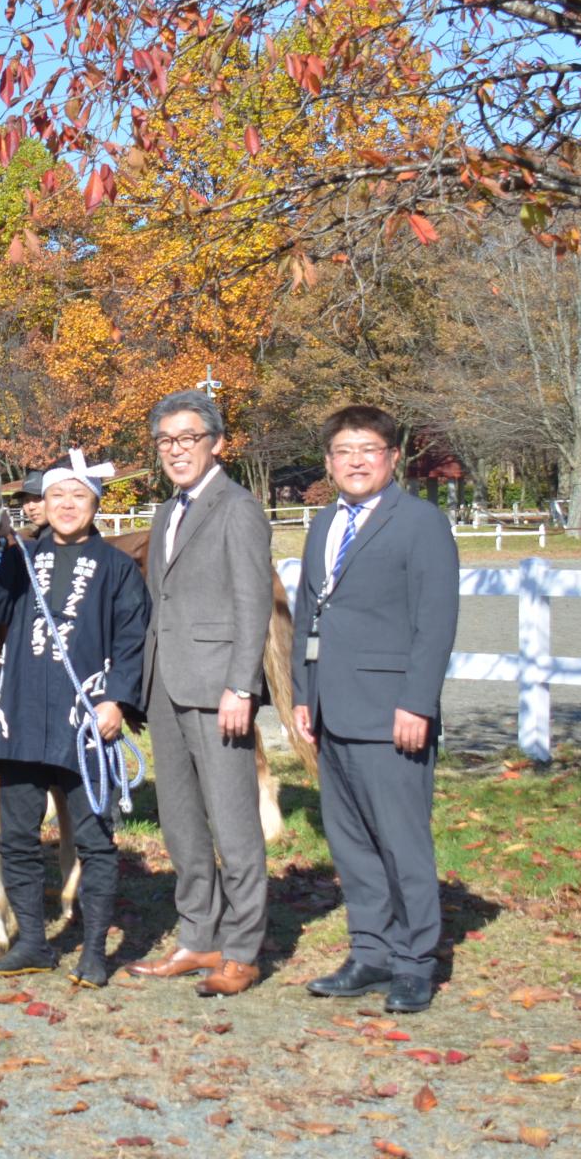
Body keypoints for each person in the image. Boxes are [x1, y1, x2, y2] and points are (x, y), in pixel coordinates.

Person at [290, 405, 458, 1014]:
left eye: (368, 449)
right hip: (331, 709)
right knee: (352, 842)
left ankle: (414, 962)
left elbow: (435, 623)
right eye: (343, 450)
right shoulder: (322, 525)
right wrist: (303, 697)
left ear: (391, 457)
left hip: (392, 712)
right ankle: (370, 953)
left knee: (401, 842)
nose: (355, 461)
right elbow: (309, 613)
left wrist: (417, 703)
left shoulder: (420, 524)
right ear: (329, 462)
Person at [0, 450, 148, 986]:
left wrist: (117, 700)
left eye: (79, 497)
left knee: (94, 841)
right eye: (57, 496)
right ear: (42, 504)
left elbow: (133, 640)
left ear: (95, 504)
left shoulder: (116, 567)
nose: (67, 506)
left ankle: (93, 951)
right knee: (17, 838)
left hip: (85, 722)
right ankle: (35, 944)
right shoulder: (21, 556)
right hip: (20, 717)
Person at [127, 390, 274, 997]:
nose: (175, 451)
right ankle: (198, 936)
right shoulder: (167, 513)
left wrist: (242, 684)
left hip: (218, 688)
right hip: (165, 684)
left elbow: (253, 603)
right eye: (165, 441)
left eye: (188, 438)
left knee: (233, 822)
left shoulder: (237, 509)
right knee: (180, 822)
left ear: (216, 442)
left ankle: (242, 949)